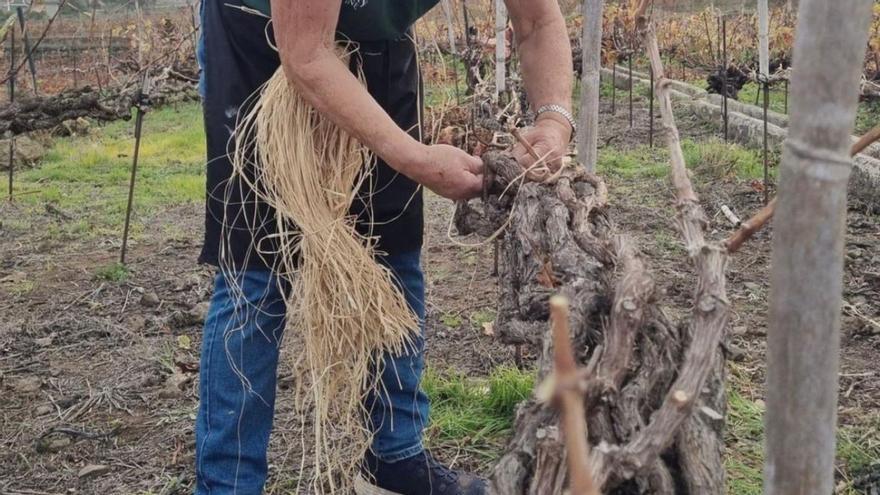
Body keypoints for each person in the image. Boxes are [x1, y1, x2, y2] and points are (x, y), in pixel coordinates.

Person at [195, 0, 574, 493]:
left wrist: (553, 122)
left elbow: (538, 20)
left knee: (392, 240)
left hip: (375, 41)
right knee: (257, 266)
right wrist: (414, 156)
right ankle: (229, 483)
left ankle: (393, 459)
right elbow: (307, 54)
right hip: (263, 36)